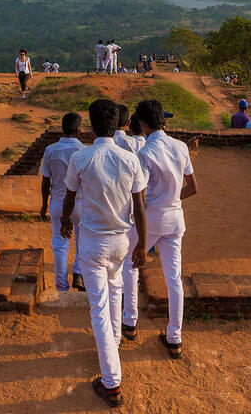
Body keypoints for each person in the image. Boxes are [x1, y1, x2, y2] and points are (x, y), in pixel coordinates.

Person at [61, 99, 147, 408]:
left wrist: (63, 222)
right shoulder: (129, 159)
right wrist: (141, 243)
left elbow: (69, 198)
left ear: (91, 125)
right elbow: (139, 206)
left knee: (99, 307)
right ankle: (113, 345)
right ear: (118, 124)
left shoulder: (82, 157)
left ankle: (112, 382)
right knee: (115, 293)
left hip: (93, 241)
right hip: (122, 240)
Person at [119, 99, 195, 360]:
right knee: (174, 278)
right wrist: (171, 199)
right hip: (175, 218)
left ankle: (129, 322)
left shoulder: (144, 155)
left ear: (141, 124)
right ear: (163, 121)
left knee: (131, 264)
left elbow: (137, 197)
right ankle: (175, 337)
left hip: (151, 218)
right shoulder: (182, 147)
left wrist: (152, 209)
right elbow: (193, 187)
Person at [40, 113, 87, 292]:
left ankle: (61, 286)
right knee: (81, 241)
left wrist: (44, 204)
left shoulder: (51, 150)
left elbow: (45, 181)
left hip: (58, 202)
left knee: (60, 244)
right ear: (78, 129)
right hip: (80, 203)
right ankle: (78, 273)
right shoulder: (84, 150)